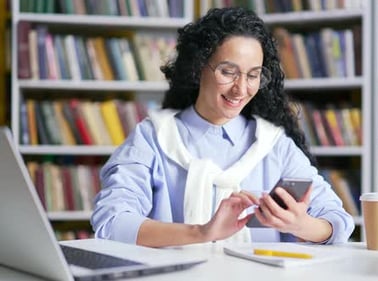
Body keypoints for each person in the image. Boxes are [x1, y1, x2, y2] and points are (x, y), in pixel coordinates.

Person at [91, 7, 354, 248]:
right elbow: (111, 223)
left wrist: (301, 225)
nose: (241, 89)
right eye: (228, 72)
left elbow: (338, 222)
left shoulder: (275, 146)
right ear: (198, 68)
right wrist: (201, 233)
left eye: (253, 75)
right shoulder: (153, 138)